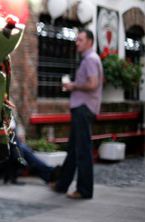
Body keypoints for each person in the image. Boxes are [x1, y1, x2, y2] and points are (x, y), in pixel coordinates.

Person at [51, 29, 103, 199]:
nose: (77, 42)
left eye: (80, 39)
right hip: (82, 108)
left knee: (82, 151)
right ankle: (62, 184)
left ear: (90, 42)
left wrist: (74, 86)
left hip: (83, 108)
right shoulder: (89, 59)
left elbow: (93, 84)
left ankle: (85, 190)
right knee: (73, 149)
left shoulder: (90, 59)